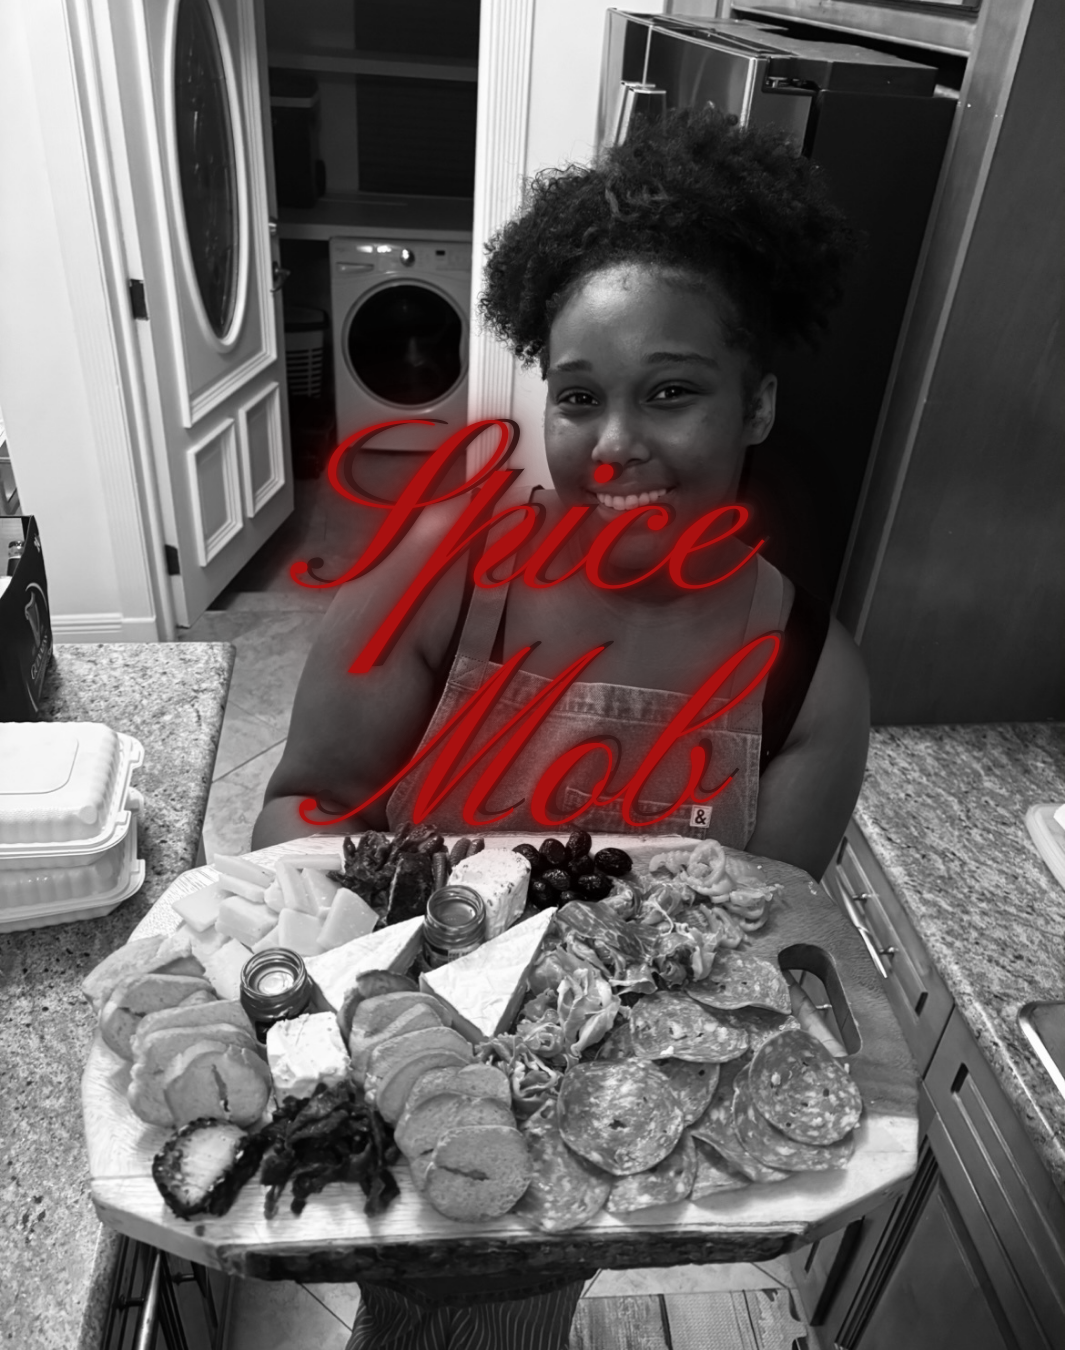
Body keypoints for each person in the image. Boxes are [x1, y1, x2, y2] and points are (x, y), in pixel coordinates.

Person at [253, 108, 868, 1350]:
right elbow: (302, 806)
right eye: (580, 397)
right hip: (413, 1078)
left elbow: (759, 949)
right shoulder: (447, 572)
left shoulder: (808, 678)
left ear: (756, 406)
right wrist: (392, 998)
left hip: (607, 1133)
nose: (619, 443)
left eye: (674, 393)